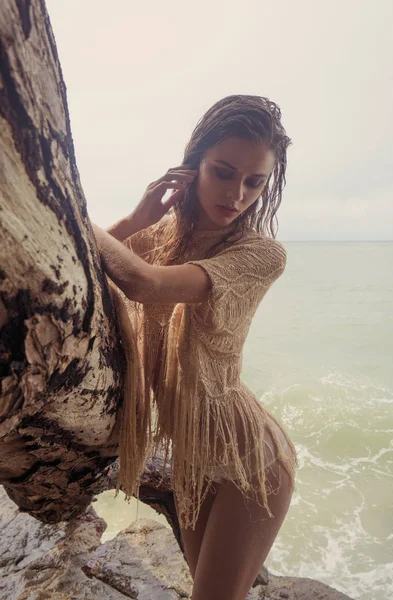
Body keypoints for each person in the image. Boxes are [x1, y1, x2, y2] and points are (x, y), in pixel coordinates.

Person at [92, 94, 299, 600]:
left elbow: (146, 286)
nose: (238, 193)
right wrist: (138, 218)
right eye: (223, 172)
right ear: (192, 166)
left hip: (249, 462)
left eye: (255, 181)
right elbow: (95, 266)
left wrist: (71, 211)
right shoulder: (165, 236)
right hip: (193, 456)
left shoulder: (259, 254)